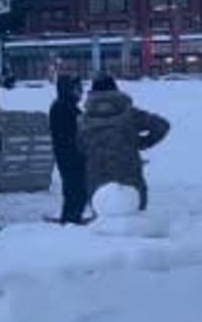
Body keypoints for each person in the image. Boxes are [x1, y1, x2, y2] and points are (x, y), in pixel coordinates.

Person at [78, 74, 170, 211]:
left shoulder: (84, 119)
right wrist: (141, 142)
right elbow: (161, 125)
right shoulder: (130, 114)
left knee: (102, 214)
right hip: (128, 170)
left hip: (97, 171)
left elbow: (80, 145)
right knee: (134, 210)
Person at [49, 74, 88, 224]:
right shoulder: (63, 108)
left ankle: (72, 217)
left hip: (72, 155)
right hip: (70, 157)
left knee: (76, 188)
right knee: (75, 189)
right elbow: (69, 134)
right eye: (78, 89)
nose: (81, 93)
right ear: (69, 90)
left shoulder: (69, 107)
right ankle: (71, 218)